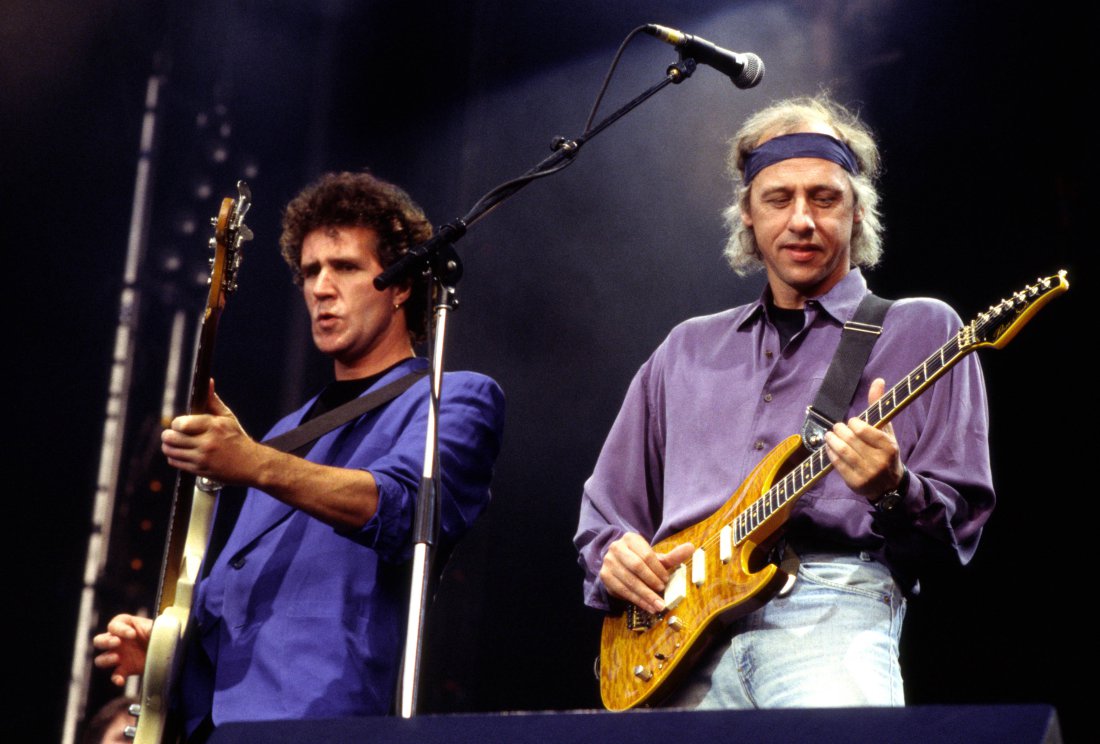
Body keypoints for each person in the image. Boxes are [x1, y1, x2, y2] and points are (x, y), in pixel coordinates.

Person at [574, 96, 994, 708]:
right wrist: (613, 557)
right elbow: (606, 512)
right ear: (748, 213)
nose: (802, 220)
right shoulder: (686, 348)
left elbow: (959, 527)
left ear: (857, 211)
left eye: (824, 198)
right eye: (778, 198)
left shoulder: (922, 330)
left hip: (831, 606)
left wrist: (893, 490)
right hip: (673, 631)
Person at [93, 171, 505, 735]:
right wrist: (168, 649)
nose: (321, 288)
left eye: (346, 267)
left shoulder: (451, 398)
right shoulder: (285, 432)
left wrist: (256, 463)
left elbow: (403, 509)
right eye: (310, 271)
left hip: (325, 718)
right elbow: (231, 598)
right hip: (217, 727)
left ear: (402, 285)